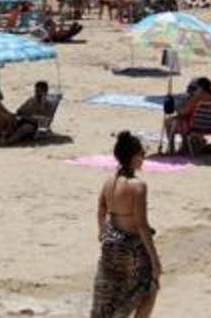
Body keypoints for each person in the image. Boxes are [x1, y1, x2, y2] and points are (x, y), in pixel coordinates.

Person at [90, 131, 160, 318]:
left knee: (109, 298)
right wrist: (155, 260)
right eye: (141, 154)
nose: (143, 158)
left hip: (111, 246)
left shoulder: (108, 182)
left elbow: (101, 210)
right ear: (133, 157)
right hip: (132, 250)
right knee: (149, 288)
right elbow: (142, 225)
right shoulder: (138, 187)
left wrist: (102, 233)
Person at [160, 78, 211, 156]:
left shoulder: (197, 98)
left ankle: (172, 149)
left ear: (201, 88)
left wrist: (177, 107)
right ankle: (185, 145)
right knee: (180, 120)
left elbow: (183, 112)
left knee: (169, 121)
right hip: (208, 126)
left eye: (197, 88)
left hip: (193, 127)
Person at [4, 80, 55, 145]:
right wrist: (22, 114)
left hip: (34, 126)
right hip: (23, 120)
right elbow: (20, 110)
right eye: (36, 91)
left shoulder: (47, 105)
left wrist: (30, 117)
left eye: (39, 92)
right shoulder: (31, 100)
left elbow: (45, 120)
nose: (37, 94)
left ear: (45, 92)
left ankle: (9, 141)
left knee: (26, 128)